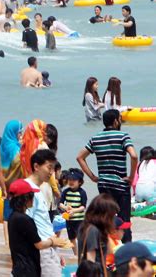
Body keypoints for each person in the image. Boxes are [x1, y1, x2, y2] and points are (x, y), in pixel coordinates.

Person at [77, 109, 138, 242]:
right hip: (121, 186)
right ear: (116, 121)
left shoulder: (96, 138)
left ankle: (107, 248)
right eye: (120, 119)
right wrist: (132, 177)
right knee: (124, 221)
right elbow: (133, 156)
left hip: (104, 185)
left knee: (106, 218)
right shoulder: (123, 136)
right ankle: (127, 252)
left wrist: (93, 177)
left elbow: (80, 157)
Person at [8, 178, 66, 277]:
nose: (33, 198)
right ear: (25, 198)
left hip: (18, 268)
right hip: (28, 269)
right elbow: (39, 244)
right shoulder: (26, 220)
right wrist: (53, 241)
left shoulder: (12, 217)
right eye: (32, 196)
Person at [25, 149, 64, 276]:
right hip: (43, 249)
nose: (51, 172)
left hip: (48, 247)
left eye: (53, 168)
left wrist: (56, 251)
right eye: (49, 167)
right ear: (36, 166)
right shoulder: (28, 189)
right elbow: (26, 224)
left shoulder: (38, 189)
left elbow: (42, 222)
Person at [76, 193, 119, 275]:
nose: (113, 219)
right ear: (105, 215)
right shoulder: (93, 230)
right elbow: (90, 258)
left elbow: (109, 251)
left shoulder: (86, 226)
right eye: (112, 215)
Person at [59, 168, 87, 254]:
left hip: (79, 220)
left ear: (80, 182)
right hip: (69, 220)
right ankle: (76, 254)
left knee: (80, 237)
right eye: (69, 179)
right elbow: (60, 204)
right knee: (71, 238)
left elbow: (83, 207)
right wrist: (65, 207)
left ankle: (82, 253)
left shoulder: (82, 192)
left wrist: (74, 211)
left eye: (74, 180)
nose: (71, 181)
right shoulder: (65, 192)